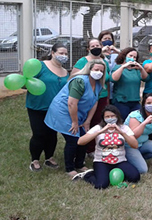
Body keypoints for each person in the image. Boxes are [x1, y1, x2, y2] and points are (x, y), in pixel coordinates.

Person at [44, 59, 106, 177]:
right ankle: (69, 168)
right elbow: (72, 103)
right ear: (89, 69)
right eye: (96, 69)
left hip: (77, 112)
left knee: (84, 137)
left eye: (101, 71)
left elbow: (94, 103)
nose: (98, 72)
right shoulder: (79, 81)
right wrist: (74, 122)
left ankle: (79, 164)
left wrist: (87, 121)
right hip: (63, 111)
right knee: (73, 138)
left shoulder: (98, 84)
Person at [26, 43, 70, 172]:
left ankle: (49, 158)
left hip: (56, 108)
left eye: (66, 54)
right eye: (61, 53)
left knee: (52, 134)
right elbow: (27, 82)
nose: (64, 56)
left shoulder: (65, 72)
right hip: (37, 106)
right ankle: (35, 160)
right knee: (39, 134)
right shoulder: (41, 66)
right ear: (53, 53)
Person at [72, 37, 112, 131]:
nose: (95, 48)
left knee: (98, 124)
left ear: (101, 46)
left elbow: (107, 81)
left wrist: (108, 98)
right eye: (92, 46)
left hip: (102, 97)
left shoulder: (104, 62)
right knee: (86, 123)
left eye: (97, 45)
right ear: (88, 49)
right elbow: (73, 77)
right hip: (86, 98)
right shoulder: (83, 61)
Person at [124, 94, 152, 172]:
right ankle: (129, 158)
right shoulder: (135, 115)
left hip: (143, 143)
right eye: (149, 103)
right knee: (143, 170)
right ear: (143, 104)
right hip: (130, 146)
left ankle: (139, 157)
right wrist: (144, 123)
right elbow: (134, 136)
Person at [110, 47, 147, 118]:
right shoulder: (118, 67)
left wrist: (141, 68)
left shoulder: (136, 70)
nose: (132, 58)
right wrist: (123, 67)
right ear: (125, 56)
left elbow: (146, 78)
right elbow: (113, 79)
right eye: (130, 56)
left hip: (135, 101)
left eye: (134, 57)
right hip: (121, 101)